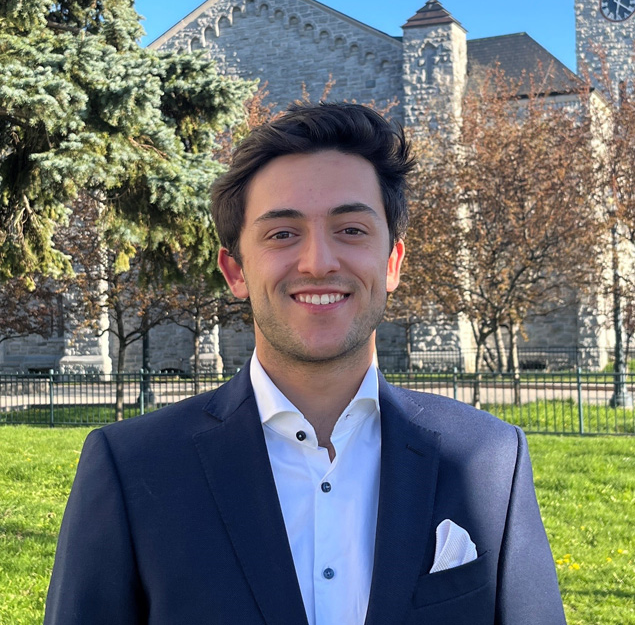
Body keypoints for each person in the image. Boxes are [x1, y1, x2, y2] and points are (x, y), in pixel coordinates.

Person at [44, 103, 566, 625]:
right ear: (235, 270)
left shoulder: (489, 460)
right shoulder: (131, 468)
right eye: (282, 234)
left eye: (352, 230)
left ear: (392, 263)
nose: (318, 261)